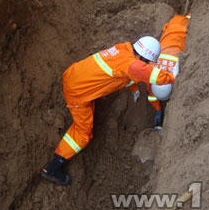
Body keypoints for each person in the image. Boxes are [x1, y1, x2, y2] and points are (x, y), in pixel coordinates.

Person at [41, 36, 176, 185]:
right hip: (78, 93)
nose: (146, 64)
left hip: (74, 75)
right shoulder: (131, 65)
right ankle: (52, 168)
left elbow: (124, 74)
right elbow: (151, 75)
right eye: (147, 62)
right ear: (143, 58)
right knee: (82, 134)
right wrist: (173, 76)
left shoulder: (123, 49)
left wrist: (134, 88)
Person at [147, 14, 190, 129]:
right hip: (171, 27)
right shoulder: (151, 67)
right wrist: (158, 109)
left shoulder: (178, 67)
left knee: (192, 15)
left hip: (186, 28)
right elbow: (151, 94)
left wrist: (158, 110)